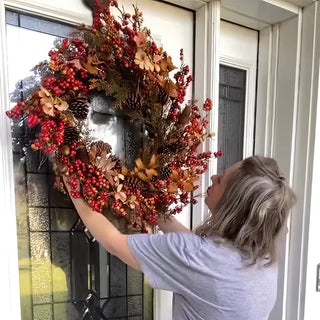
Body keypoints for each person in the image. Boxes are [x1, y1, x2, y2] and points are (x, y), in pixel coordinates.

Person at [63, 155, 296, 320]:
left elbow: (114, 243)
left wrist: (72, 184)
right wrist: (151, 205)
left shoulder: (199, 257)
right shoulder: (263, 258)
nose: (214, 176)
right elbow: (201, 253)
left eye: (223, 179)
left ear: (233, 204)